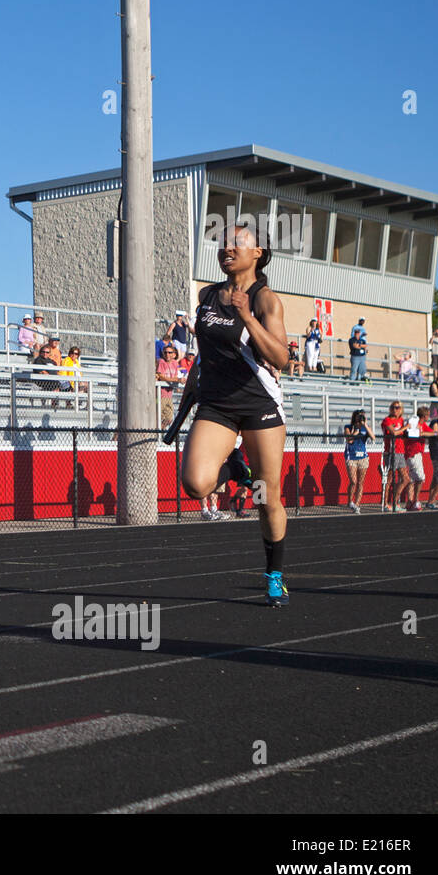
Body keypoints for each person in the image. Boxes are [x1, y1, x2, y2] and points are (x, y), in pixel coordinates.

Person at [179, 221, 292, 607]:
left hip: (259, 402)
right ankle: (237, 471)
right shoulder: (208, 294)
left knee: (267, 498)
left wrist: (247, 317)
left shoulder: (265, 299)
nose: (226, 249)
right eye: (222, 244)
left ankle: (274, 574)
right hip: (217, 403)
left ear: (258, 253)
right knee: (195, 483)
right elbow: (207, 348)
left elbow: (282, 358)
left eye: (236, 244)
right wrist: (193, 380)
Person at [401, 405, 433, 511]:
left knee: (412, 478)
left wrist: (425, 433)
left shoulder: (423, 425)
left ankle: (410, 501)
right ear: (424, 415)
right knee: (420, 477)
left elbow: (431, 432)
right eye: (427, 415)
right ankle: (415, 500)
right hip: (413, 453)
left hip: (416, 453)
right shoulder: (415, 423)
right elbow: (415, 433)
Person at [342, 410, 372, 514]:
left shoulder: (365, 429)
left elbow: (373, 437)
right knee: (353, 481)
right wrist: (356, 430)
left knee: (360, 482)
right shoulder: (348, 427)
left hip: (363, 457)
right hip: (351, 457)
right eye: (360, 417)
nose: (361, 419)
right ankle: (350, 501)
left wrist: (365, 425)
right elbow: (349, 440)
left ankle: (357, 504)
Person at [380, 400, 408, 512]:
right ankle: (385, 504)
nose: (395, 410)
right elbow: (394, 433)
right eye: (393, 407)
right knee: (390, 479)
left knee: (405, 478)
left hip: (400, 451)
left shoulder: (400, 420)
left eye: (397, 408)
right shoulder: (387, 420)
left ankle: (395, 501)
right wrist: (406, 427)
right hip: (392, 451)